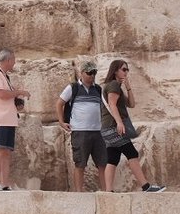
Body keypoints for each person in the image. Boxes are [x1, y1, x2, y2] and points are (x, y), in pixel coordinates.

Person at [99, 59, 165, 193]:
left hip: (107, 129)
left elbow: (132, 104)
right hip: (113, 127)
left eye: (127, 69)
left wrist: (128, 87)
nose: (126, 72)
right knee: (132, 153)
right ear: (115, 70)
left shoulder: (115, 86)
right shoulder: (113, 85)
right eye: (124, 69)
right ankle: (146, 187)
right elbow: (112, 105)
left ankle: (108, 191)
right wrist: (119, 122)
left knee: (113, 157)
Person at [0, 49, 30, 191]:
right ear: (9, 60)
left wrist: (18, 102)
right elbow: (2, 94)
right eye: (14, 60)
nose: (14, 63)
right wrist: (19, 92)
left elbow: (8, 96)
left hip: (8, 119)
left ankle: (5, 184)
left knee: (6, 152)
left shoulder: (5, 76)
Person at [57, 62, 105, 193]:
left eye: (94, 73)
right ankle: (79, 192)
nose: (92, 76)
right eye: (89, 73)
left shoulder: (98, 89)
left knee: (102, 163)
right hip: (80, 131)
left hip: (97, 131)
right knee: (80, 163)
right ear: (81, 73)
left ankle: (106, 191)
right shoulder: (73, 88)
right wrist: (61, 121)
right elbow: (59, 103)